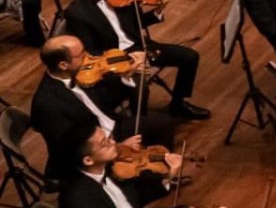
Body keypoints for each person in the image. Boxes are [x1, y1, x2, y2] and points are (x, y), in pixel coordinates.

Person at [65, 0, 210, 120]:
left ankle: (178, 105)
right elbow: (91, 51)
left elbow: (138, 22)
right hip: (114, 58)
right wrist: (128, 62)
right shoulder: (77, 13)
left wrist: (160, 8)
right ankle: (139, 125)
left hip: (141, 46)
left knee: (190, 57)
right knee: (140, 88)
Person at [30, 35, 175, 180]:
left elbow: (109, 97)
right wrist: (117, 147)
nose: (89, 56)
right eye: (81, 55)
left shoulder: (84, 73)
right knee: (128, 169)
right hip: (94, 151)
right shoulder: (47, 104)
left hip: (111, 127)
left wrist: (128, 73)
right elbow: (71, 147)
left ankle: (162, 172)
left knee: (163, 123)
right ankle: (146, 181)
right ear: (63, 65)